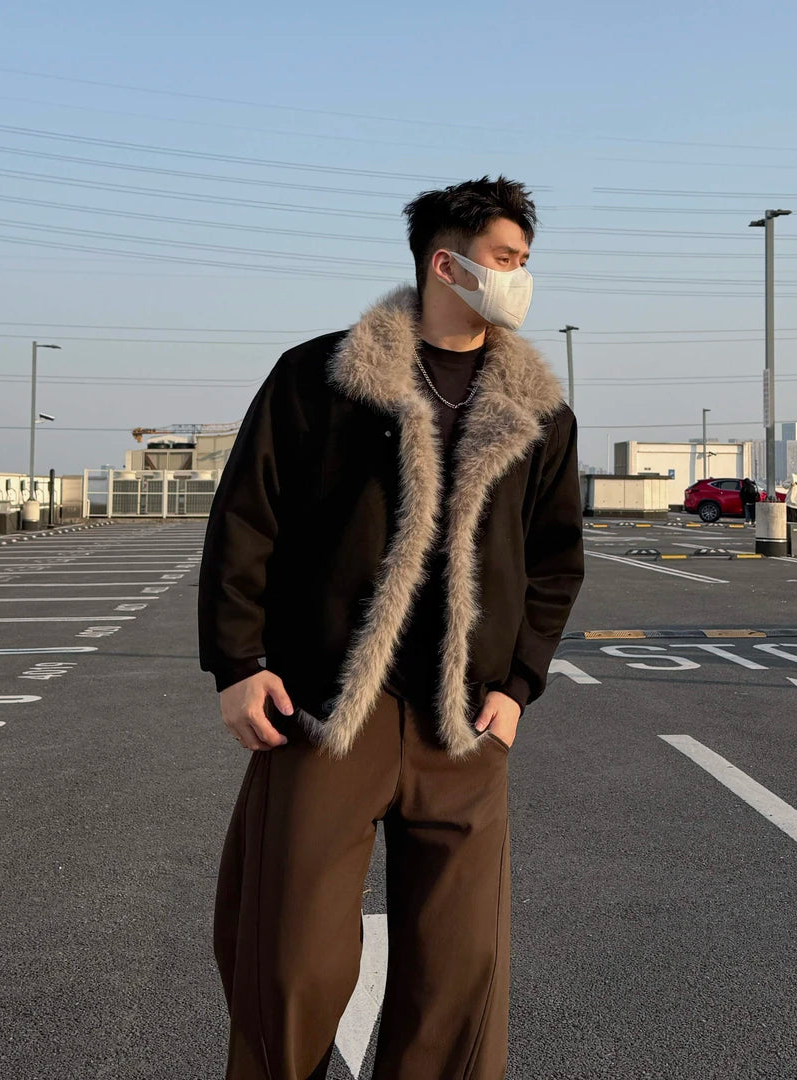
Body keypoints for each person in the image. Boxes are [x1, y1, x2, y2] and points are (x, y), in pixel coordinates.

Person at [198, 175, 585, 1080]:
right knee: (288, 960)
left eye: (526, 261)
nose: (520, 278)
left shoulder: (540, 410)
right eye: (504, 259)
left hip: (465, 721)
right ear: (445, 264)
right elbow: (247, 520)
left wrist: (518, 685)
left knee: (459, 970)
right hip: (328, 708)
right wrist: (238, 663)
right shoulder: (320, 377)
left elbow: (556, 559)